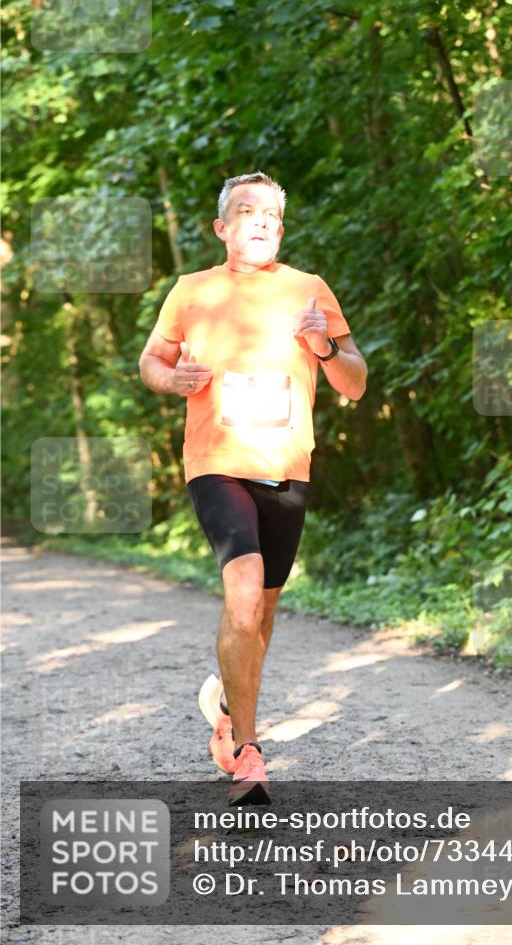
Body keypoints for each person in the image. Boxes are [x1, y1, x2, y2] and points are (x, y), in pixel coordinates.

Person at [139, 171, 367, 805]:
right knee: (242, 593)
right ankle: (247, 751)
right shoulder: (191, 292)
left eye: (269, 213)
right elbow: (151, 361)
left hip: (287, 468)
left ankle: (227, 710)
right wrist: (172, 379)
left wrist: (323, 346)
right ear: (222, 228)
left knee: (262, 613)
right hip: (215, 459)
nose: (260, 220)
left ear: (281, 228)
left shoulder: (309, 290)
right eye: (245, 210)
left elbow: (355, 382)